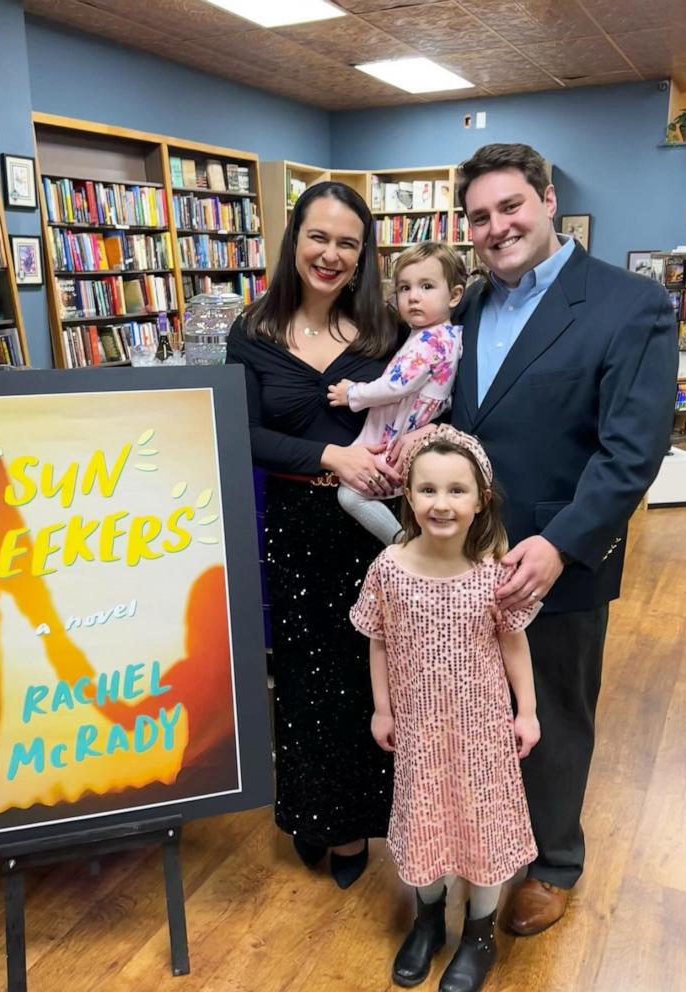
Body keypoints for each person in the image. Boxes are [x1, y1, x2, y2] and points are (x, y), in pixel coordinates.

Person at [395, 143, 677, 934]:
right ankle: (483, 841)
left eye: (511, 206)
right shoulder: (468, 308)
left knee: (550, 712)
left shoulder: (631, 305)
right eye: (479, 216)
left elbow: (632, 452)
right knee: (475, 711)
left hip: (557, 563)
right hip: (459, 559)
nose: (497, 226)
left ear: (548, 200)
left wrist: (558, 546)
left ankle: (553, 862)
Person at [225, 181, 403, 889]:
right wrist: (329, 455)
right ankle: (310, 813)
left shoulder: (390, 333)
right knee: (301, 680)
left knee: (367, 679)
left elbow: (426, 406)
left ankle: (355, 824)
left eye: (348, 244)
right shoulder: (253, 331)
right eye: (318, 237)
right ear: (294, 240)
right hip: (296, 526)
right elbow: (242, 433)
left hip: (374, 530)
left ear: (364, 257)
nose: (331, 255)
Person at [351, 426, 541, 992]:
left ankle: (479, 934)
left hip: (482, 731)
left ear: (480, 499)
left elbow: (514, 643)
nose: (441, 503)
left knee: (481, 826)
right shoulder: (389, 567)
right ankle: (428, 919)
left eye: (456, 490)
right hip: (418, 731)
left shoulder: (494, 572)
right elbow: (379, 640)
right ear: (407, 496)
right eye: (428, 489)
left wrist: (526, 710)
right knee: (424, 820)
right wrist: (382, 709)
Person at [327, 242, 464, 544]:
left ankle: (400, 541)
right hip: (409, 425)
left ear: (454, 295)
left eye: (426, 286)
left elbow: (396, 386)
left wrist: (352, 394)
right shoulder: (443, 335)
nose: (413, 297)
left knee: (350, 495)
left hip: (397, 432)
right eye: (404, 288)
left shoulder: (430, 341)